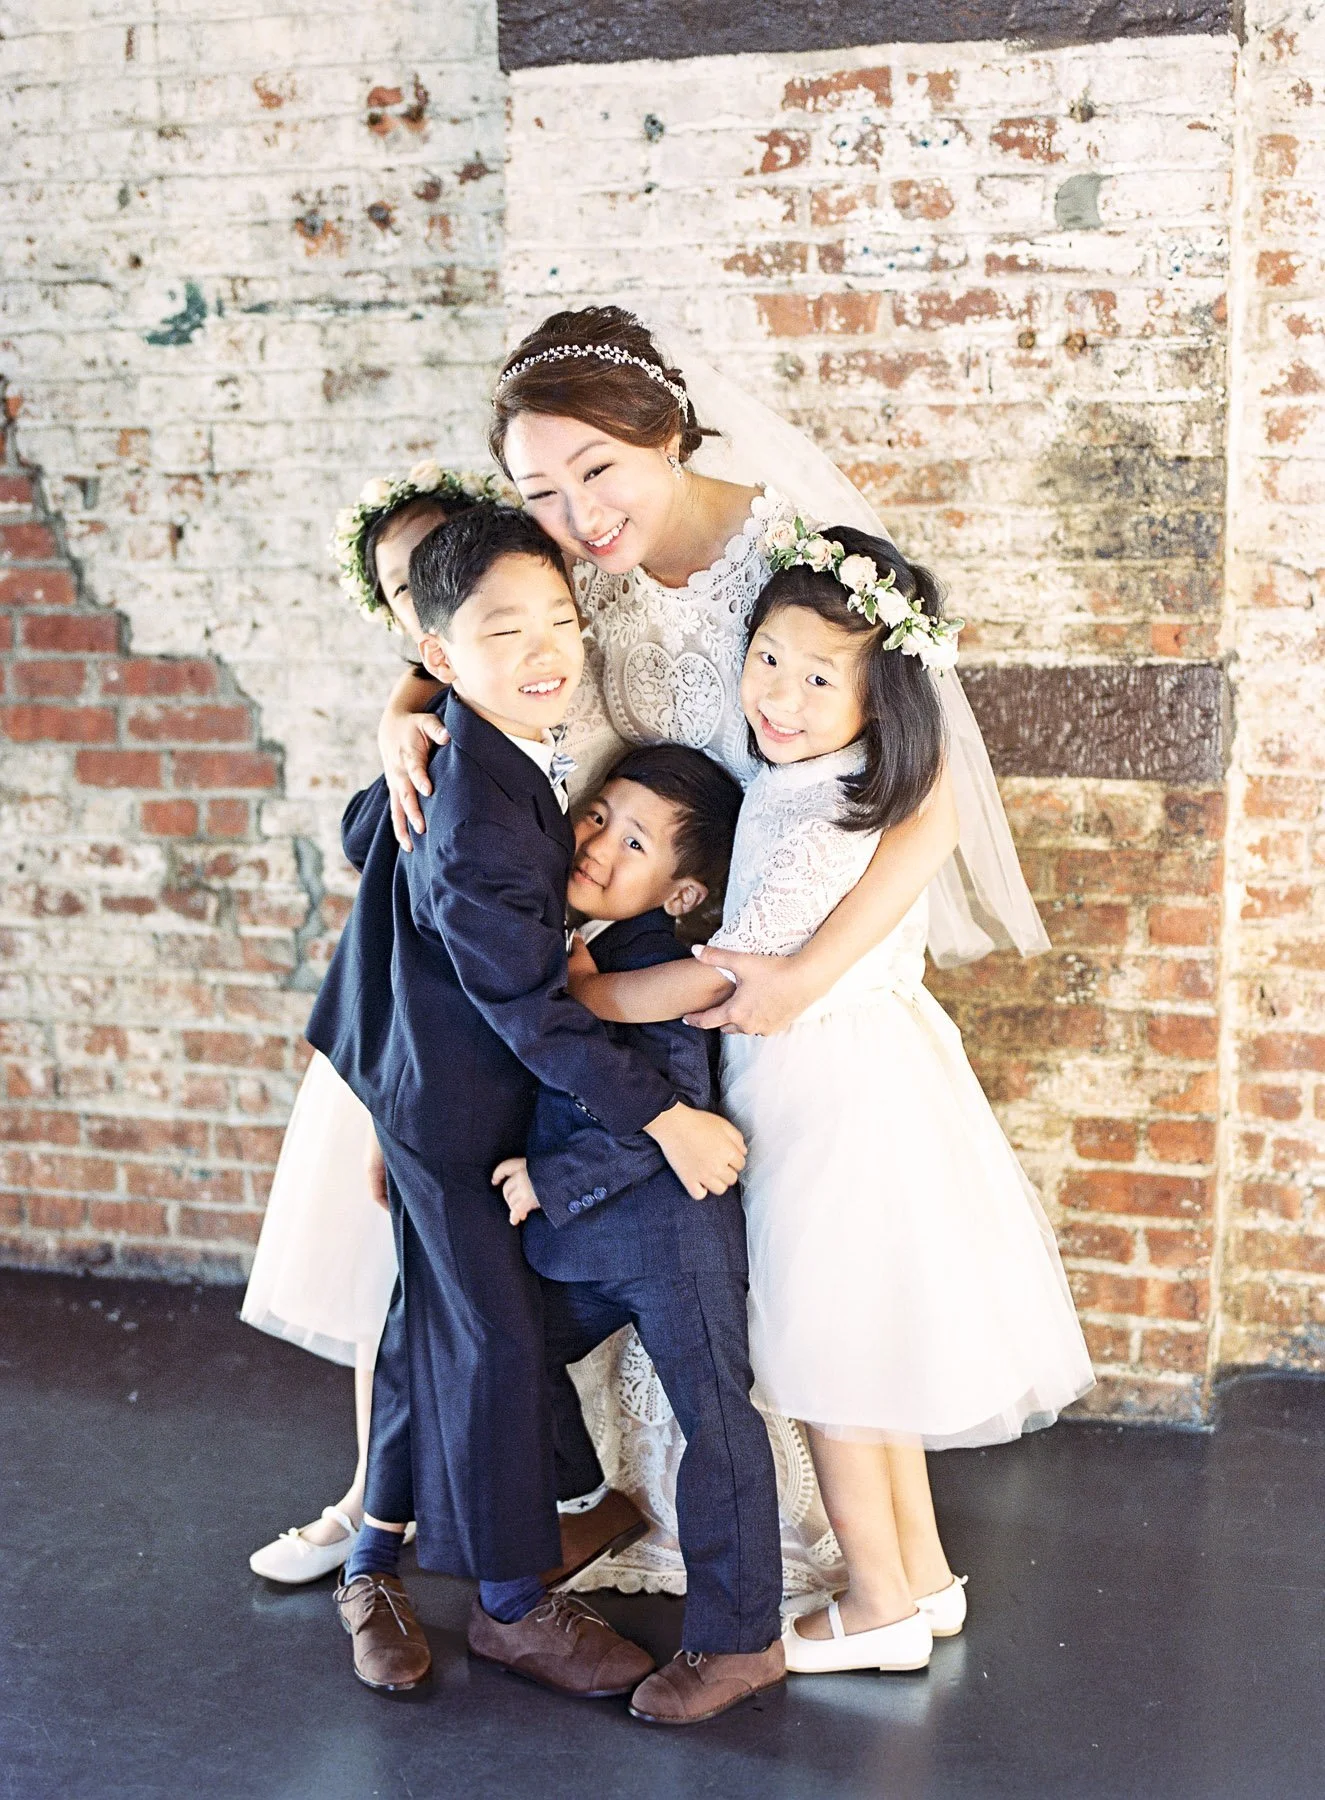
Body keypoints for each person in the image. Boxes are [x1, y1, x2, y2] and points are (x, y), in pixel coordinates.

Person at [373, 304, 1056, 1603]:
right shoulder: (581, 573)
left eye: (597, 472)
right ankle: (623, 1505)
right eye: (542, 491)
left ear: (669, 432)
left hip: (785, 969)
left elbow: (927, 806)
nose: (577, 514)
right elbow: (485, 632)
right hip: (639, 939)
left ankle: (819, 1557)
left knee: (801, 1268)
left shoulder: (788, 562)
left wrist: (801, 976)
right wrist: (400, 708)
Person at [567, 522, 1096, 1674]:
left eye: (819, 679)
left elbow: (727, 983)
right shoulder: (824, 779)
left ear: (881, 698)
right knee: (866, 1343)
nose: (780, 696)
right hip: (872, 1075)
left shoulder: (822, 815)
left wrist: (591, 996)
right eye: (767, 659)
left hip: (828, 1094)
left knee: (835, 1356)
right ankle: (920, 1577)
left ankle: (876, 1608)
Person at [309, 501, 750, 1700]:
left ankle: (375, 1555)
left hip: (459, 1080)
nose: (548, 646)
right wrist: (664, 1116)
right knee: (493, 1337)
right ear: (443, 657)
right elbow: (533, 1015)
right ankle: (508, 1605)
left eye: (559, 617)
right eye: (507, 631)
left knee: (438, 1325)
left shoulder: (492, 745)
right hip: (450, 1101)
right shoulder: (477, 820)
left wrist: (417, 718)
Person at [243, 464, 504, 1584]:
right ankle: (367, 1501)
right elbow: (374, 847)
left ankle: (460, 1508)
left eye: (448, 555)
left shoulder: (511, 680)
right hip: (393, 1031)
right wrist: (403, 717)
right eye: (405, 584)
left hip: (481, 1030)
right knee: (372, 1282)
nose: (429, 587)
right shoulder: (427, 714)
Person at [495, 743, 785, 1725]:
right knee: (504, 1345)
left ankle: (738, 1641)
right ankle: (587, 1504)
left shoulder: (663, 967)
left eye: (635, 842)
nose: (600, 848)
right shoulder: (558, 941)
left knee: (716, 1421)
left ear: (686, 886)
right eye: (598, 816)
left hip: (670, 1238)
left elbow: (669, 1123)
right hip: (579, 1246)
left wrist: (545, 1178)